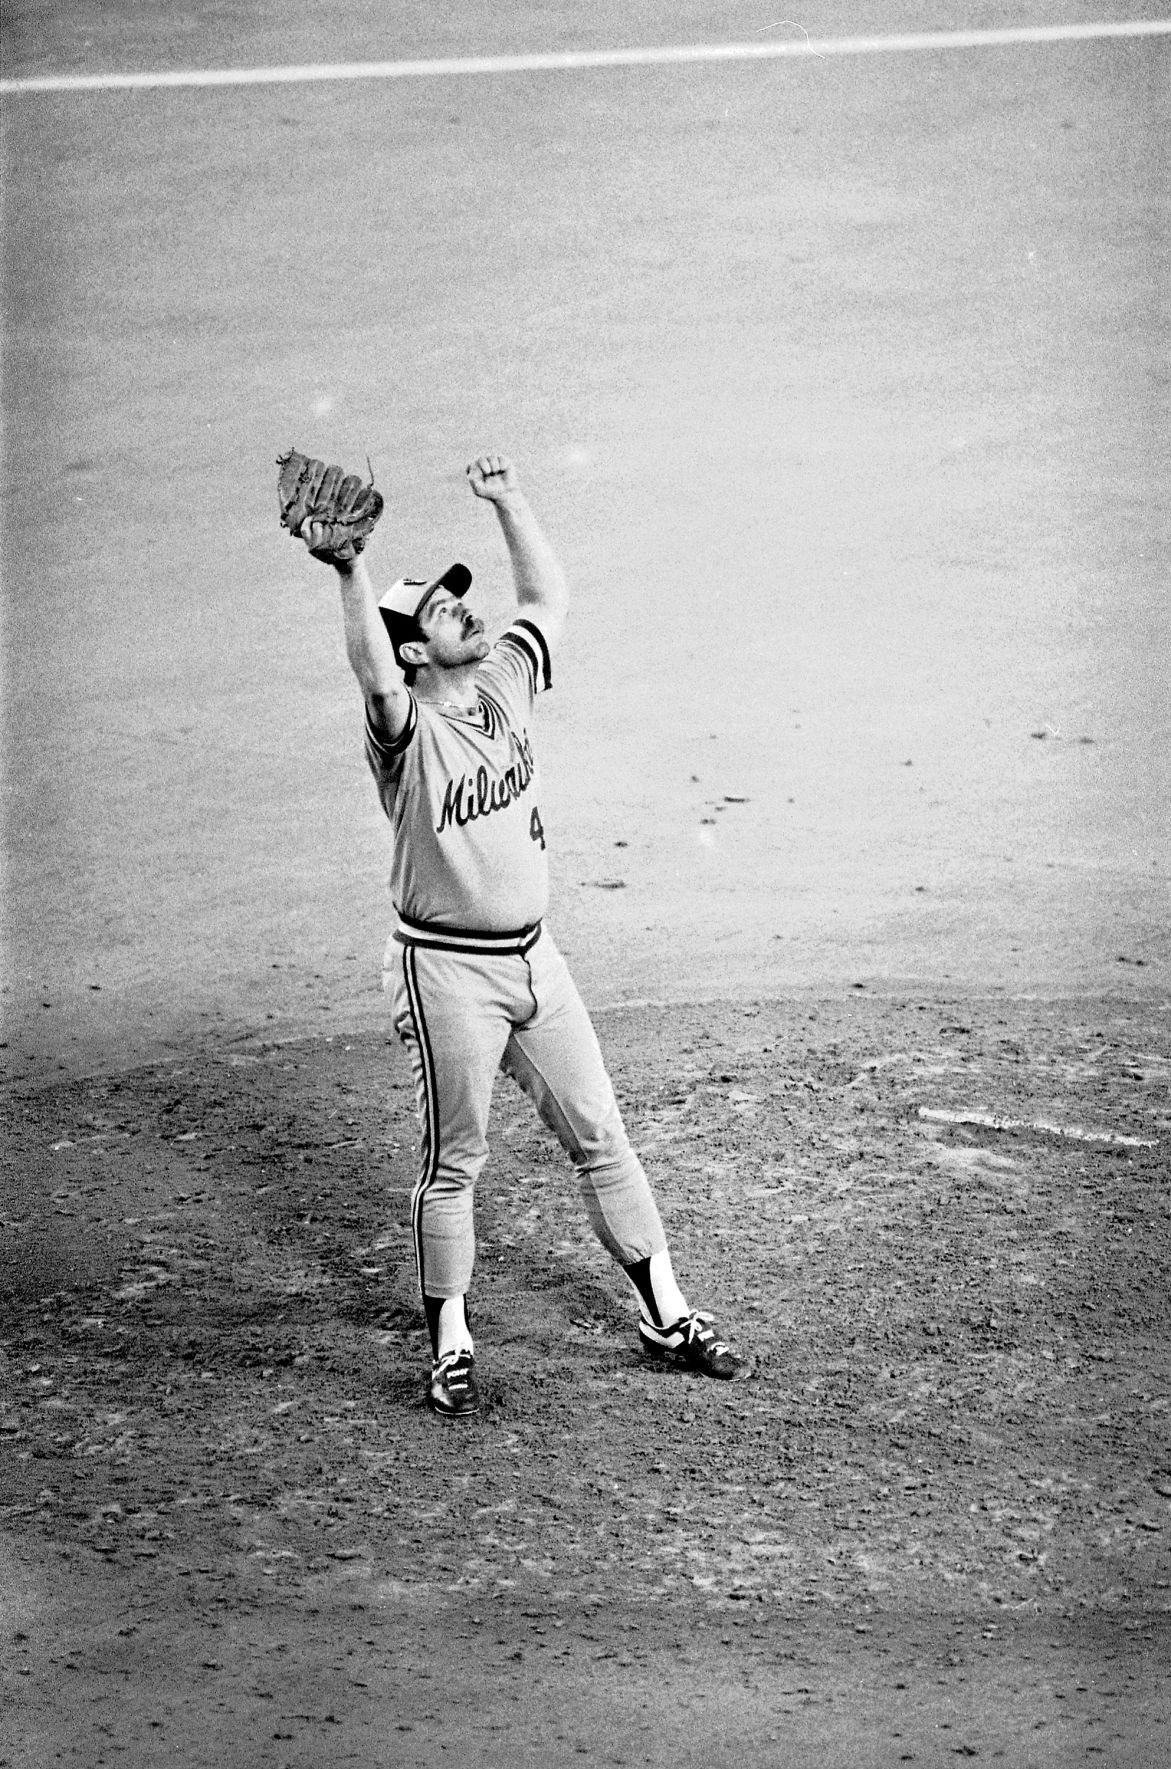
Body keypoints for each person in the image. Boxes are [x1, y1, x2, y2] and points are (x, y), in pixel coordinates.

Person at [299, 453, 742, 1416]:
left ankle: (665, 1310)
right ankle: (450, 1339)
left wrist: (508, 501)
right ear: (414, 652)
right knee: (454, 1159)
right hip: (445, 971)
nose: (464, 609)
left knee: (600, 1131)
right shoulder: (404, 737)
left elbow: (546, 593)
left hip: (538, 961)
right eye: (441, 611)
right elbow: (372, 679)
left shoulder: (504, 684)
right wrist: (349, 573)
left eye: (460, 600)